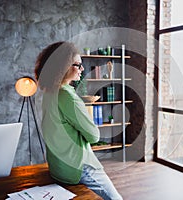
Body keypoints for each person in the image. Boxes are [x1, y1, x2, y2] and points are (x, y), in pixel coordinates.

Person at [34, 41, 123, 200]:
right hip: (79, 167)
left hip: (58, 167)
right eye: (78, 65)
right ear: (63, 66)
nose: (82, 69)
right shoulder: (67, 96)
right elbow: (94, 136)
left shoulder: (49, 92)